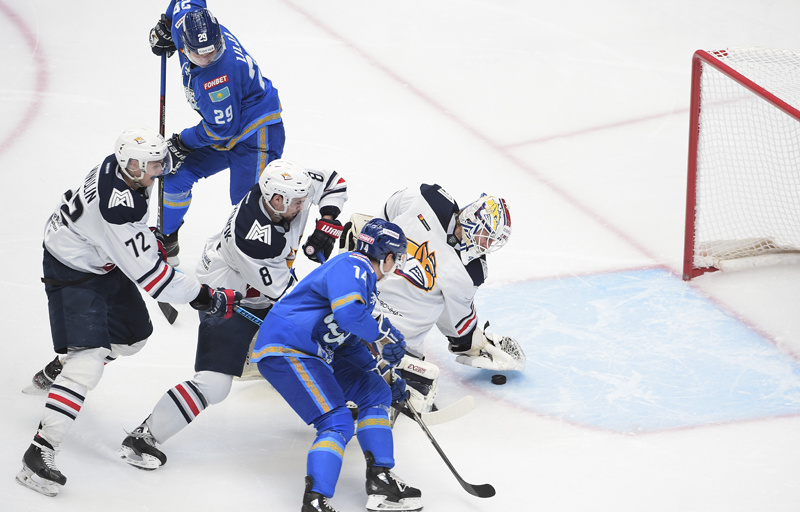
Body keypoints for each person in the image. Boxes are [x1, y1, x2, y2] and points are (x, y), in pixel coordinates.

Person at [15, 127, 241, 498]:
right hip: (71, 270)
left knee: (133, 337)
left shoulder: (122, 170)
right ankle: (39, 452)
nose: (159, 169)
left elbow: (125, 233)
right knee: (88, 362)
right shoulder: (117, 208)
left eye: (158, 162)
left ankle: (61, 368)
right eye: (152, 165)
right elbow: (155, 280)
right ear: (131, 164)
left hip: (96, 256)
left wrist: (146, 236)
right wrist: (204, 296)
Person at [117, 159, 348, 470]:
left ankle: (328, 383)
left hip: (261, 286)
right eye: (298, 202)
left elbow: (334, 182)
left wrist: (327, 222)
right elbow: (282, 294)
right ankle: (145, 436)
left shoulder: (289, 190)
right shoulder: (254, 238)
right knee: (215, 385)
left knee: (318, 329)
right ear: (276, 200)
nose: (304, 205)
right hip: (228, 299)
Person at [251, 218, 423, 512]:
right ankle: (315, 500)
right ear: (387, 256)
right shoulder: (353, 265)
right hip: (289, 348)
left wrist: (384, 375)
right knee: (337, 420)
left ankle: (380, 479)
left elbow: (348, 343)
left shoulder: (363, 284)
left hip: (315, 352)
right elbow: (349, 316)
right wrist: (383, 334)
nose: (397, 265)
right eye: (398, 258)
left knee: (376, 392)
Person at [340, 184, 525, 414]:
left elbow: (457, 327)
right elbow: (388, 212)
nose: (486, 245)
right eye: (486, 236)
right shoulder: (428, 199)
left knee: (415, 381)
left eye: (491, 241)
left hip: (397, 340)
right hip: (362, 309)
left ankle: (367, 385)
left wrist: (477, 344)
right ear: (473, 219)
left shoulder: (471, 272)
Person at [148, 0, 286, 264]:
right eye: (199, 54)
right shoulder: (186, 20)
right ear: (184, 42)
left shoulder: (217, 77)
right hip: (224, 127)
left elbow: (221, 129)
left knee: (250, 209)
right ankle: (167, 241)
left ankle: (268, 270)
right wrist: (167, 21)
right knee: (174, 177)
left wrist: (182, 142)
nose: (207, 59)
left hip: (255, 134)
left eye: (212, 51)